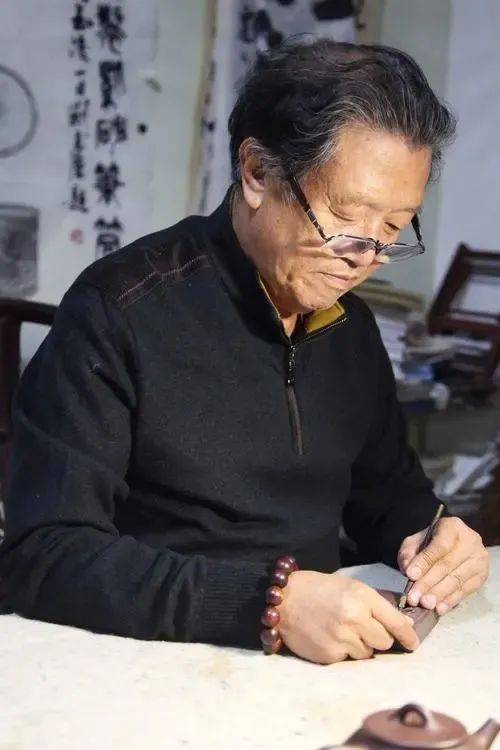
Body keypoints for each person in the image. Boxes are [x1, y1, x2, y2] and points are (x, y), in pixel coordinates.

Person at [0, 40, 489, 665]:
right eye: (346, 217)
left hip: (316, 670)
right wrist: (268, 604)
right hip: (155, 661)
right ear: (258, 172)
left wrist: (436, 540)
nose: (365, 257)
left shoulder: (350, 329)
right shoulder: (119, 310)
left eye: (393, 228)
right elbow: (44, 554)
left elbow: (389, 500)